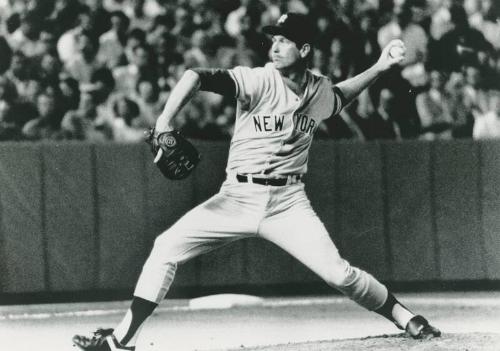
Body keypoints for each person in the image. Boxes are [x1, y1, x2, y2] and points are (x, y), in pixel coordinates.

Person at [72, 13, 441, 351]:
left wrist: (379, 66)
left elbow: (341, 96)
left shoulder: (318, 90)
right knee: (166, 247)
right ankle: (124, 339)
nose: (275, 46)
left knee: (339, 274)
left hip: (288, 202)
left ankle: (404, 316)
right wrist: (165, 122)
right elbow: (194, 76)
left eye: (284, 40)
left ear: (305, 49)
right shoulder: (258, 80)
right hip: (237, 197)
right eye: (274, 39)